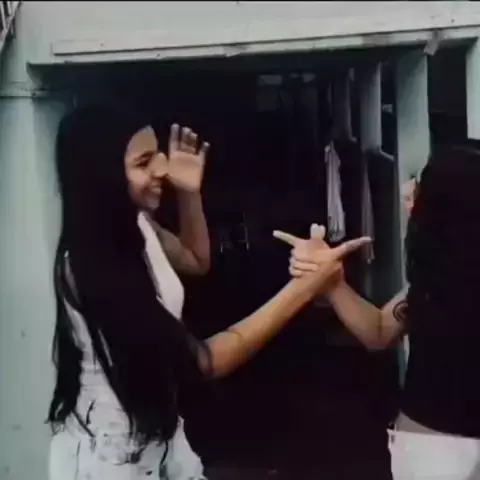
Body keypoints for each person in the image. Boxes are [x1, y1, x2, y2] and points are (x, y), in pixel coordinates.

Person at [47, 106, 369, 480]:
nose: (162, 169)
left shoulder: (139, 225)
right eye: (144, 162)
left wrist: (189, 194)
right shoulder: (92, 268)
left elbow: (196, 260)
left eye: (158, 155)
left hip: (159, 438)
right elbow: (203, 361)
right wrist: (305, 287)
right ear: (102, 176)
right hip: (112, 458)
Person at [274, 145, 480, 479]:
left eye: (420, 183)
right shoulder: (434, 280)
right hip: (429, 452)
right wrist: (333, 283)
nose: (406, 190)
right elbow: (380, 332)